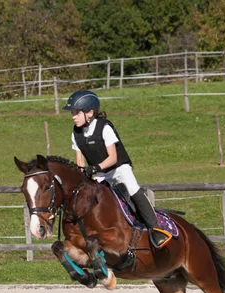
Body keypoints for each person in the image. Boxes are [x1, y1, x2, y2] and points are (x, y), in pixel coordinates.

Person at [62, 89, 172, 249]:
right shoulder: (76, 133)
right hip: (100, 174)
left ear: (90, 113)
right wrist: (81, 176)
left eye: (77, 113)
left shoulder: (104, 127)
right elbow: (79, 160)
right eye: (72, 113)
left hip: (119, 168)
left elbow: (112, 157)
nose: (73, 117)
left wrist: (95, 167)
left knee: (133, 189)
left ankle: (156, 229)